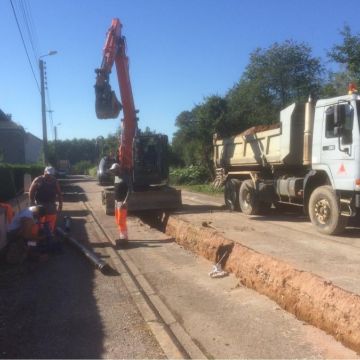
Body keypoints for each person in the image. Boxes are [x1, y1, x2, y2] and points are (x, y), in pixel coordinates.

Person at [29, 166, 63, 233]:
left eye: (50, 174)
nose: (49, 176)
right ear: (44, 172)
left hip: (51, 205)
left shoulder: (55, 181)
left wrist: (60, 205)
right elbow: (31, 191)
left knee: (50, 223)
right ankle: (39, 235)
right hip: (40, 204)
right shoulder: (38, 180)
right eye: (47, 174)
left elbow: (59, 193)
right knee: (39, 222)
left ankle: (49, 234)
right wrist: (32, 202)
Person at [109, 163, 130, 244]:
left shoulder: (125, 177)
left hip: (122, 202)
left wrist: (126, 201)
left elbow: (130, 190)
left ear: (118, 170)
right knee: (118, 220)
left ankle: (124, 238)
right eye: (113, 171)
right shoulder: (116, 177)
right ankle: (123, 235)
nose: (113, 172)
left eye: (114, 171)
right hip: (116, 202)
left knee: (122, 221)